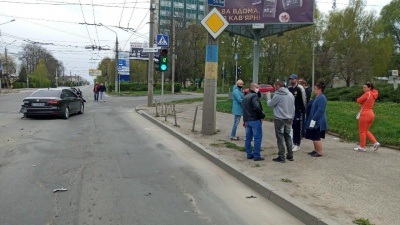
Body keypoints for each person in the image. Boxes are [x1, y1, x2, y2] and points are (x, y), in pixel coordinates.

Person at [266, 80, 295, 163]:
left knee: (280, 137)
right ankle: (290, 155)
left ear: (278, 86)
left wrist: (268, 97)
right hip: (289, 118)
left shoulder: (278, 94)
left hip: (280, 118)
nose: (274, 88)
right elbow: (293, 106)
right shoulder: (290, 94)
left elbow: (270, 104)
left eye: (275, 86)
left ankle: (281, 156)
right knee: (288, 136)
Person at [241, 82, 266, 161]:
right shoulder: (254, 96)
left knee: (248, 138)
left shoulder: (246, 96)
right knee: (257, 138)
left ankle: (249, 154)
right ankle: (257, 155)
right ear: (252, 88)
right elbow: (257, 107)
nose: (258, 89)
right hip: (254, 119)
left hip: (247, 120)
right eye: (256, 87)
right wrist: (262, 116)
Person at [354, 82, 380, 152]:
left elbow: (358, 100)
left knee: (362, 131)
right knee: (366, 130)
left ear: (369, 88)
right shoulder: (373, 93)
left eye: (365, 87)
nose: (363, 89)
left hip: (364, 114)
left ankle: (362, 147)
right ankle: (375, 142)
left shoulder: (367, 94)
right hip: (371, 114)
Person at [305, 81, 328, 157]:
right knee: (313, 136)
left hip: (318, 121)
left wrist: (314, 119)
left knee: (316, 136)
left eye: (315, 89)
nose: (314, 90)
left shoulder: (322, 97)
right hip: (314, 119)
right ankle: (316, 150)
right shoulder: (317, 97)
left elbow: (320, 110)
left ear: (320, 89)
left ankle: (319, 152)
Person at [288, 74, 306, 152]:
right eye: (290, 79)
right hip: (291, 111)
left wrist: (302, 110)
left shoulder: (300, 88)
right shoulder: (289, 89)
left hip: (298, 111)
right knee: (293, 127)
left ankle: (297, 144)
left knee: (297, 128)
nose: (291, 80)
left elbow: (304, 100)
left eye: (293, 79)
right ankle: (294, 142)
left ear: (296, 80)